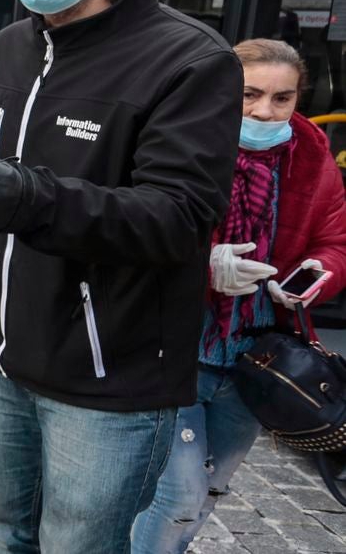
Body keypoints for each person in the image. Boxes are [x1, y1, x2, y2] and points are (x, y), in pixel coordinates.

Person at [0, 0, 244, 554]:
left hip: (107, 383)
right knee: (2, 536)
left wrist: (29, 197)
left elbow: (179, 218)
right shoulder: (10, 45)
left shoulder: (190, 59)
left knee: (81, 547)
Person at [131, 39, 346, 553]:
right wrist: (203, 267)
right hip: (171, 352)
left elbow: (334, 240)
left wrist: (320, 273)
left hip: (254, 360)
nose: (263, 110)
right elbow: (131, 230)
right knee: (179, 495)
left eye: (282, 98)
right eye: (248, 93)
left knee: (208, 491)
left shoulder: (311, 151)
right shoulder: (179, 137)